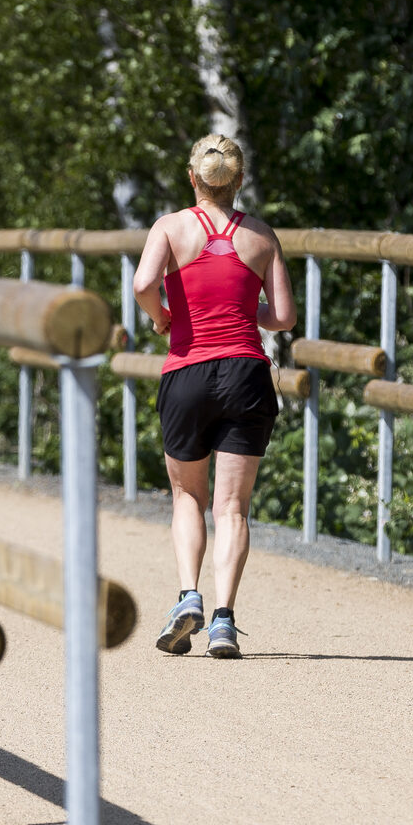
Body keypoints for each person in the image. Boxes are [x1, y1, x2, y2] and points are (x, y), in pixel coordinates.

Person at [132, 134, 297, 658]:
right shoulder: (261, 235)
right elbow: (285, 317)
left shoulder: (171, 227)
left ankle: (188, 597)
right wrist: (250, 314)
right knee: (233, 507)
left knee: (188, 497)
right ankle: (223, 621)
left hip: (187, 372)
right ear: (239, 180)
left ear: (193, 178)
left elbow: (142, 284)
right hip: (246, 373)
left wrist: (162, 317)